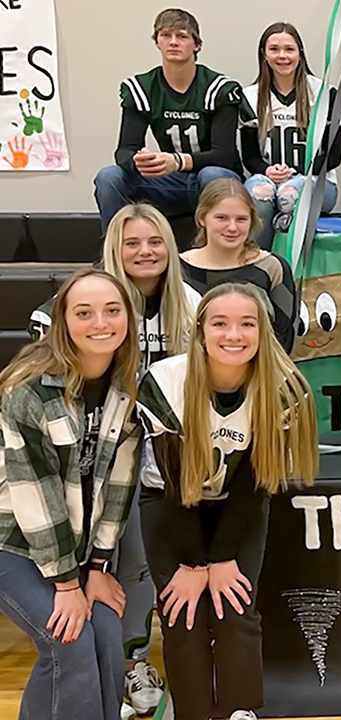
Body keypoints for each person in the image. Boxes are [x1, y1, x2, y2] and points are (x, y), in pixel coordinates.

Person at [28, 204, 201, 719]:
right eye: (132, 242)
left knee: (140, 564)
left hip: (157, 456)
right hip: (87, 460)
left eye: (155, 241)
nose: (145, 251)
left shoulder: (189, 303)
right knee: (101, 571)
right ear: (113, 250)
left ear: (170, 247)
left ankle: (134, 666)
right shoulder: (84, 301)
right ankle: (109, 672)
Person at [136, 283, 319, 720]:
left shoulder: (283, 388)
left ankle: (240, 711)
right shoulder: (165, 383)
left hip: (239, 505)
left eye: (247, 323)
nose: (233, 334)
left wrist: (220, 558)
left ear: (264, 332)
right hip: (170, 505)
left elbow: (255, 483)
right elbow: (172, 484)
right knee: (183, 610)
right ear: (200, 332)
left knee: (235, 603)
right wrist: (194, 564)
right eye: (220, 323)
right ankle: (193, 712)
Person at [0, 269, 143, 720]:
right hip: (13, 541)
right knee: (68, 639)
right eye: (84, 313)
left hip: (72, 548)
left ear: (128, 320)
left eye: (112, 310)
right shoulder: (28, 392)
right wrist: (67, 583)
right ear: (63, 322)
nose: (100, 322)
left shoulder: (128, 389)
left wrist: (97, 568)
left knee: (104, 630)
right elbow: (35, 494)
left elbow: (118, 489)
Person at [93, 8, 243, 235]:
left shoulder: (219, 88)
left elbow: (225, 155)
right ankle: (115, 257)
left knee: (212, 175)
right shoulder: (142, 88)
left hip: (212, 181)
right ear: (156, 42)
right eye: (166, 35)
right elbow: (124, 150)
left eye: (182, 36)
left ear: (197, 44)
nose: (173, 42)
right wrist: (141, 161)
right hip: (169, 182)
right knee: (109, 177)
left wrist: (178, 161)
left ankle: (218, 260)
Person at [240, 22, 341, 250]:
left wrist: (296, 173)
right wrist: (267, 171)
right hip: (268, 178)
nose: (282, 56)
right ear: (264, 55)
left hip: (318, 181)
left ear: (300, 54)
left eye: (289, 49)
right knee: (259, 193)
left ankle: (292, 266)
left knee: (289, 194)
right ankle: (263, 263)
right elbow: (249, 155)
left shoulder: (324, 94)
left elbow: (334, 155)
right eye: (274, 49)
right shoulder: (250, 97)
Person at [180, 179, 298, 352]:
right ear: (202, 218)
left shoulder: (272, 267)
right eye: (222, 218)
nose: (232, 227)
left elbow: (283, 335)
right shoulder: (177, 268)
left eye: (241, 219)